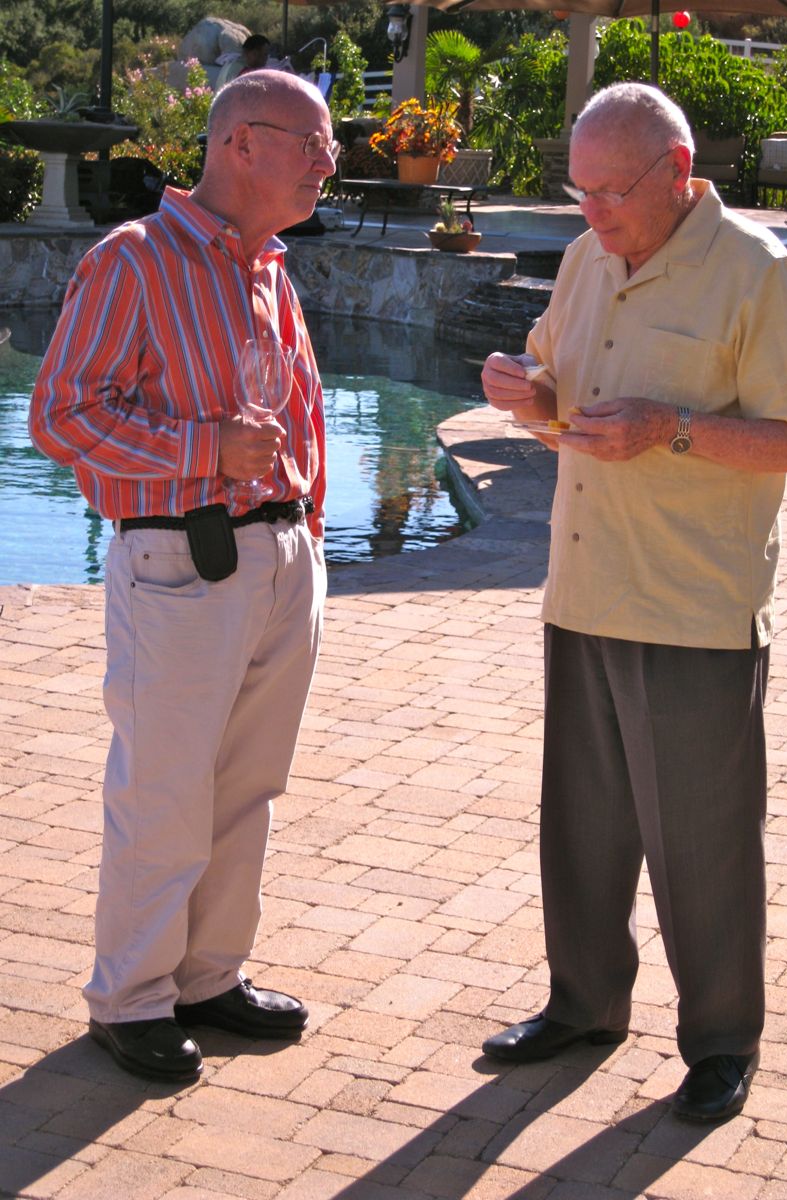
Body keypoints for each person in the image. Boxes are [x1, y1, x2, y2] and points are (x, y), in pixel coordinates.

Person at [479, 83, 787, 1123]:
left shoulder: (756, 274)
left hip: (693, 607)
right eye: (577, 188)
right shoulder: (592, 258)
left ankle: (723, 1041)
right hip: (586, 586)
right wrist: (527, 396)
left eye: (608, 191)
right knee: (581, 827)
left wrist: (671, 429)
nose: (588, 213)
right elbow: (565, 399)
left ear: (677, 175)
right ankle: (583, 1004)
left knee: (704, 842)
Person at [29, 71, 338, 1085]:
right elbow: (62, 416)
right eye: (314, 142)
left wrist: (310, 538)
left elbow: (299, 419)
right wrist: (206, 449)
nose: (331, 160)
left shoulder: (269, 269)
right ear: (240, 145)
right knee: (164, 791)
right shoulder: (135, 260)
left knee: (249, 787)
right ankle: (132, 999)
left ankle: (208, 977)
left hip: (280, 558)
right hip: (180, 561)